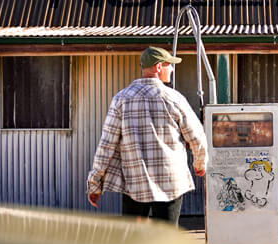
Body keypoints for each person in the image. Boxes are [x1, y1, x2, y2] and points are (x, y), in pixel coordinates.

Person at [87, 46, 207, 224]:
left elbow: (106, 145)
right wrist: (200, 163)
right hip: (170, 182)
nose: (172, 69)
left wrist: (94, 184)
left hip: (135, 183)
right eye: (169, 65)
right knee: (165, 237)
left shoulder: (121, 99)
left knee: (134, 236)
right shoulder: (174, 99)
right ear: (158, 67)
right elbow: (197, 137)